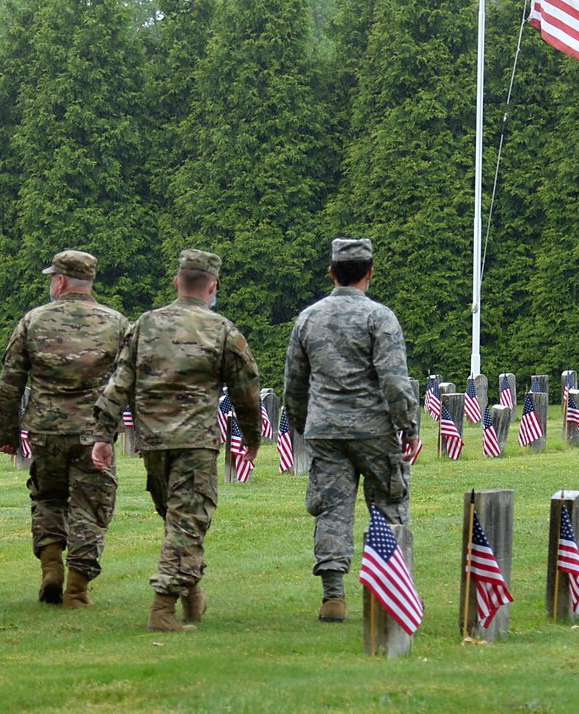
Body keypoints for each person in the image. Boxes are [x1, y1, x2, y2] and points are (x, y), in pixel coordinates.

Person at [91, 249, 260, 633]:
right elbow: (246, 390)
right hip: (196, 443)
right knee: (186, 524)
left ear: (176, 283)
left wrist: (103, 435)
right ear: (212, 287)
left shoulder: (145, 325)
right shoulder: (222, 330)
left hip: (153, 443)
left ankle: (191, 593)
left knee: (178, 522)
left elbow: (119, 383)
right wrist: (251, 438)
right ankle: (163, 608)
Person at [283, 237, 417, 623]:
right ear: (370, 273)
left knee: (332, 509)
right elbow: (394, 380)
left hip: (325, 428)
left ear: (331, 272)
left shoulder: (308, 318)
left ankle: (333, 596)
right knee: (389, 504)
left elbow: (294, 382)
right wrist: (408, 427)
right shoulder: (380, 318)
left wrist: (300, 425)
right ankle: (389, 589)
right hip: (373, 428)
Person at [0, 249, 126, 608]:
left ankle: (51, 566)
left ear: (61, 281)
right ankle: (77, 589)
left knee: (48, 498)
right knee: (91, 507)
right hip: (93, 433)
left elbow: (10, 380)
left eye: (52, 277)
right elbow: (131, 380)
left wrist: (4, 434)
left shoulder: (33, 321)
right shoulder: (116, 323)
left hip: (45, 431)